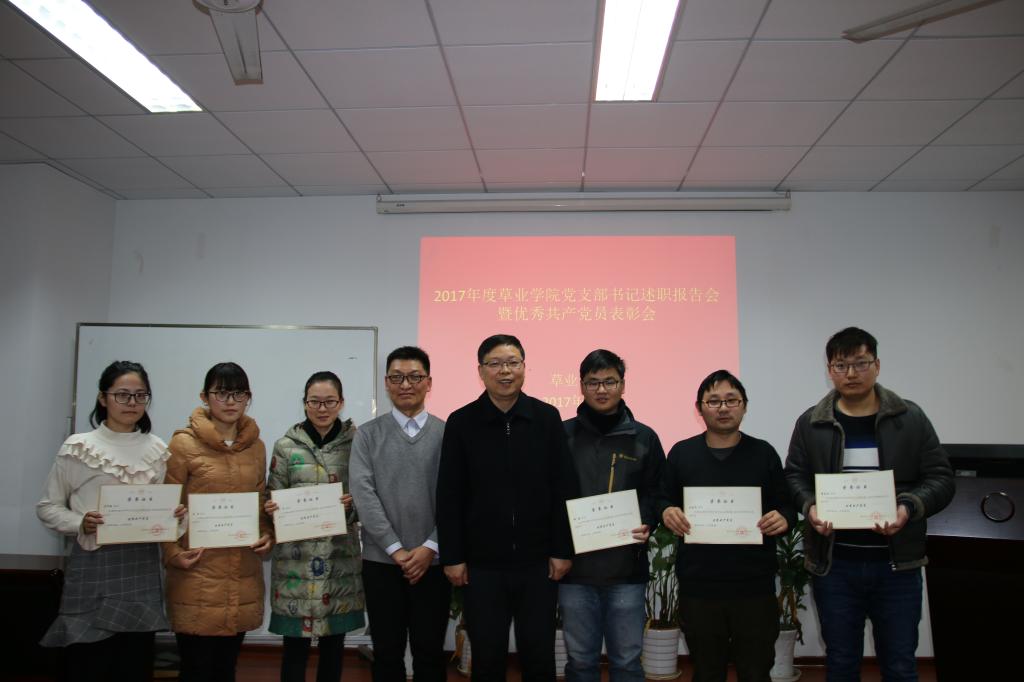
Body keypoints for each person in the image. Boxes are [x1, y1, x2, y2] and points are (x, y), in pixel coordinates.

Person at [784, 327, 954, 682]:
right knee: (841, 663)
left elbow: (941, 478)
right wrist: (810, 506)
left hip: (897, 565)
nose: (851, 373)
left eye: (860, 363)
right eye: (841, 365)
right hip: (835, 565)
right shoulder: (812, 423)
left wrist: (908, 506)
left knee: (900, 665)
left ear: (877, 365)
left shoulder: (910, 418)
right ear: (829, 370)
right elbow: (794, 477)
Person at [436, 334, 578, 682]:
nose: (505, 371)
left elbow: (564, 488)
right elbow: (450, 494)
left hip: (538, 564)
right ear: (480, 371)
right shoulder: (461, 422)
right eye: (495, 364)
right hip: (482, 567)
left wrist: (562, 549)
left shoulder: (546, 418)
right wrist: (453, 556)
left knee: (539, 656)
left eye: (513, 362)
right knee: (487, 658)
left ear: (524, 368)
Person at [37, 360, 185, 682]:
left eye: (140, 395)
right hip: (93, 564)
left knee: (133, 663)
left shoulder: (157, 449)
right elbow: (48, 507)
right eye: (122, 394)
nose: (132, 402)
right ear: (102, 398)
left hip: (141, 566)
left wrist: (176, 517)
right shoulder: (79, 447)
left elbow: (162, 513)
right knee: (87, 662)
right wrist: (80, 522)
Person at [658, 370, 795, 682]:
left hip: (754, 585)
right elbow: (662, 498)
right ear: (699, 408)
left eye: (731, 400)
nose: (723, 408)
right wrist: (667, 511)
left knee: (756, 670)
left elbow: (786, 503)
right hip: (699, 585)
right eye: (713, 401)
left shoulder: (763, 453)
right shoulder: (682, 453)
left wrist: (784, 517)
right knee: (707, 670)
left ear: (744, 406)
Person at [162, 362, 274, 682]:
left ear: (248, 398)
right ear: (204, 396)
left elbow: (260, 502)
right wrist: (172, 553)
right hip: (196, 572)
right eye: (221, 393)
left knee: (226, 669)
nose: (230, 402)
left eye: (239, 394)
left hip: (242, 574)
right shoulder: (182, 444)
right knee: (196, 670)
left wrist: (267, 533)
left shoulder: (257, 447)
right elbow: (166, 507)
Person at [559, 349, 665, 682]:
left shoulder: (644, 437)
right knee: (580, 662)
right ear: (581, 386)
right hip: (575, 572)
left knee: (628, 661)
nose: (601, 389)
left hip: (626, 570)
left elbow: (657, 492)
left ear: (622, 385)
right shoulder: (562, 436)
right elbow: (548, 494)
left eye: (610, 381)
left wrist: (647, 520)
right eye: (593, 382)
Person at [350, 346, 450, 682]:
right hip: (381, 563)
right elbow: (364, 496)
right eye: (397, 378)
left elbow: (457, 497)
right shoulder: (367, 435)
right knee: (387, 653)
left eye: (414, 377)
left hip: (433, 563)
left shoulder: (448, 434)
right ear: (386, 383)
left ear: (429, 382)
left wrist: (430, 547)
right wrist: (396, 549)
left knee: (430, 653)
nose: (405, 384)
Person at [264, 370, 365, 682]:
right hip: (296, 561)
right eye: (314, 402)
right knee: (294, 650)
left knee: (334, 648)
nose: (322, 409)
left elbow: (368, 497)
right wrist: (272, 509)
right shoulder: (285, 446)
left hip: (339, 559)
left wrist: (352, 506)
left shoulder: (357, 444)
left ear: (341, 403)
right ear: (305, 403)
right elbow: (272, 495)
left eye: (329, 401)